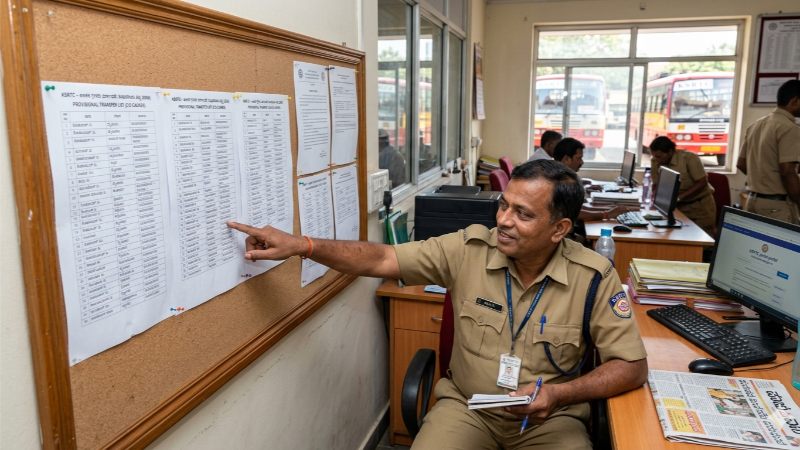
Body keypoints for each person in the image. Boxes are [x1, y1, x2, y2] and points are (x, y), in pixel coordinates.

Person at [227, 160, 648, 449]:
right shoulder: (467, 249)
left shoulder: (593, 276)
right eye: (504, 204)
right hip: (468, 407)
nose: (502, 219)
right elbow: (382, 258)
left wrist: (559, 395)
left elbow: (630, 366)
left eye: (522, 214)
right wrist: (303, 245)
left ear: (559, 229)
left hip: (550, 419)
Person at [736, 79, 800, 224]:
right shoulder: (790, 128)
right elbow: (787, 171)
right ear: (795, 101)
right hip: (777, 206)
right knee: (783, 246)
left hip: (752, 201)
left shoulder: (756, 124)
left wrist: (763, 178)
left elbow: (741, 163)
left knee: (753, 246)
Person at [649, 136, 717, 236]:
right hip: (678, 208)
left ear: (670, 151)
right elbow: (656, 183)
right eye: (654, 155)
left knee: (702, 241)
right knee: (678, 237)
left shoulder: (689, 158)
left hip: (699, 207)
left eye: (659, 156)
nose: (656, 159)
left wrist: (679, 198)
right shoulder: (655, 160)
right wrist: (656, 199)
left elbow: (702, 182)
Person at [553, 137, 633, 223]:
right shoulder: (559, 181)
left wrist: (611, 209)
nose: (581, 162)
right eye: (578, 158)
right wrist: (607, 214)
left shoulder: (563, 176)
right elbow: (573, 213)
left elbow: (576, 208)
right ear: (566, 159)